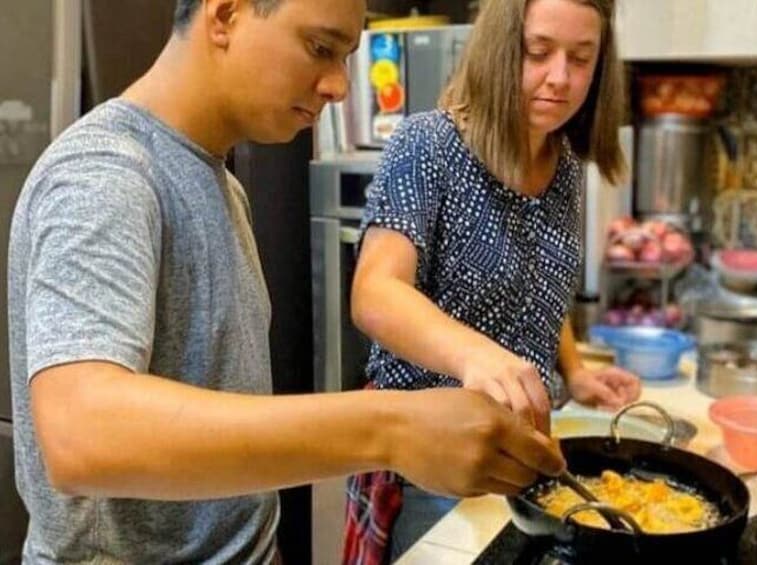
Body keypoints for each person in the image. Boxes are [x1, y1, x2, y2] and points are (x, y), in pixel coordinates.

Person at [7, 0, 567, 563]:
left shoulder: (222, 185)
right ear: (224, 15)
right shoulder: (106, 171)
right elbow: (81, 435)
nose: (339, 87)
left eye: (346, 57)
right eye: (320, 48)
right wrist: (392, 428)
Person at [344, 0, 640, 561]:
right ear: (502, 48)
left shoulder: (566, 168)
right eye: (538, 52)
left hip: (525, 456)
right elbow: (375, 292)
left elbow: (538, 287)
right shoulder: (428, 146)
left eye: (582, 58)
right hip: (433, 466)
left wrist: (574, 373)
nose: (560, 77)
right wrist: (479, 357)